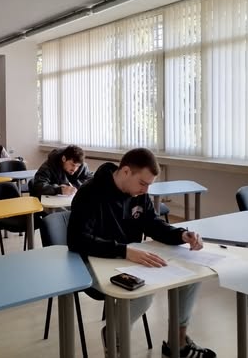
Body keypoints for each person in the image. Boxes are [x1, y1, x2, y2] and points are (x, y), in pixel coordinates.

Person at [67, 148, 216, 358]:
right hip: (92, 263)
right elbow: (77, 240)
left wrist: (181, 235)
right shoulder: (90, 192)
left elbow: (153, 224)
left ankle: (178, 342)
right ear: (126, 171)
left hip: (128, 259)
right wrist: (124, 250)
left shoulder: (138, 194)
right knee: (142, 290)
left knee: (191, 274)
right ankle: (113, 335)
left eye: (148, 185)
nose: (146, 190)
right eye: (143, 183)